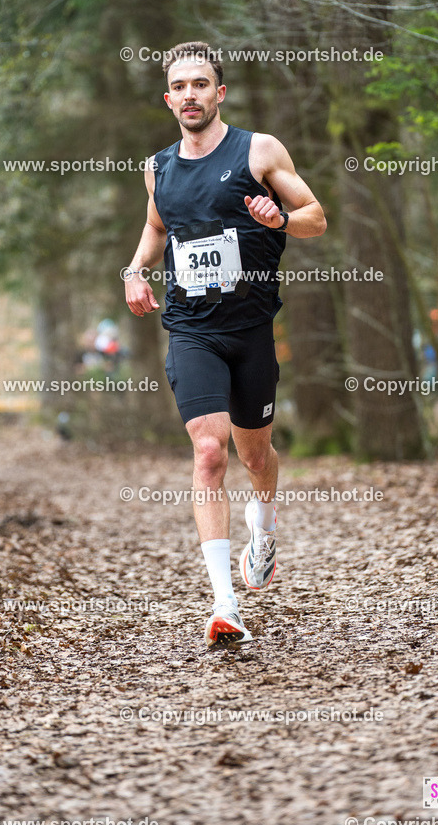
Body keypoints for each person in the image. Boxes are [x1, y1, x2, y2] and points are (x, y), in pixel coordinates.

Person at [124, 41, 326, 647]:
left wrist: (280, 221)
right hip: (192, 328)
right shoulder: (157, 167)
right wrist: (135, 270)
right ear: (168, 98)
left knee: (255, 456)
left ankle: (262, 530)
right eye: (179, 86)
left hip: (252, 329)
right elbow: (158, 228)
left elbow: (317, 215)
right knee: (210, 453)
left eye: (200, 84)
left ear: (220, 92)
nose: (190, 94)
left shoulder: (258, 150)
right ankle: (224, 602)